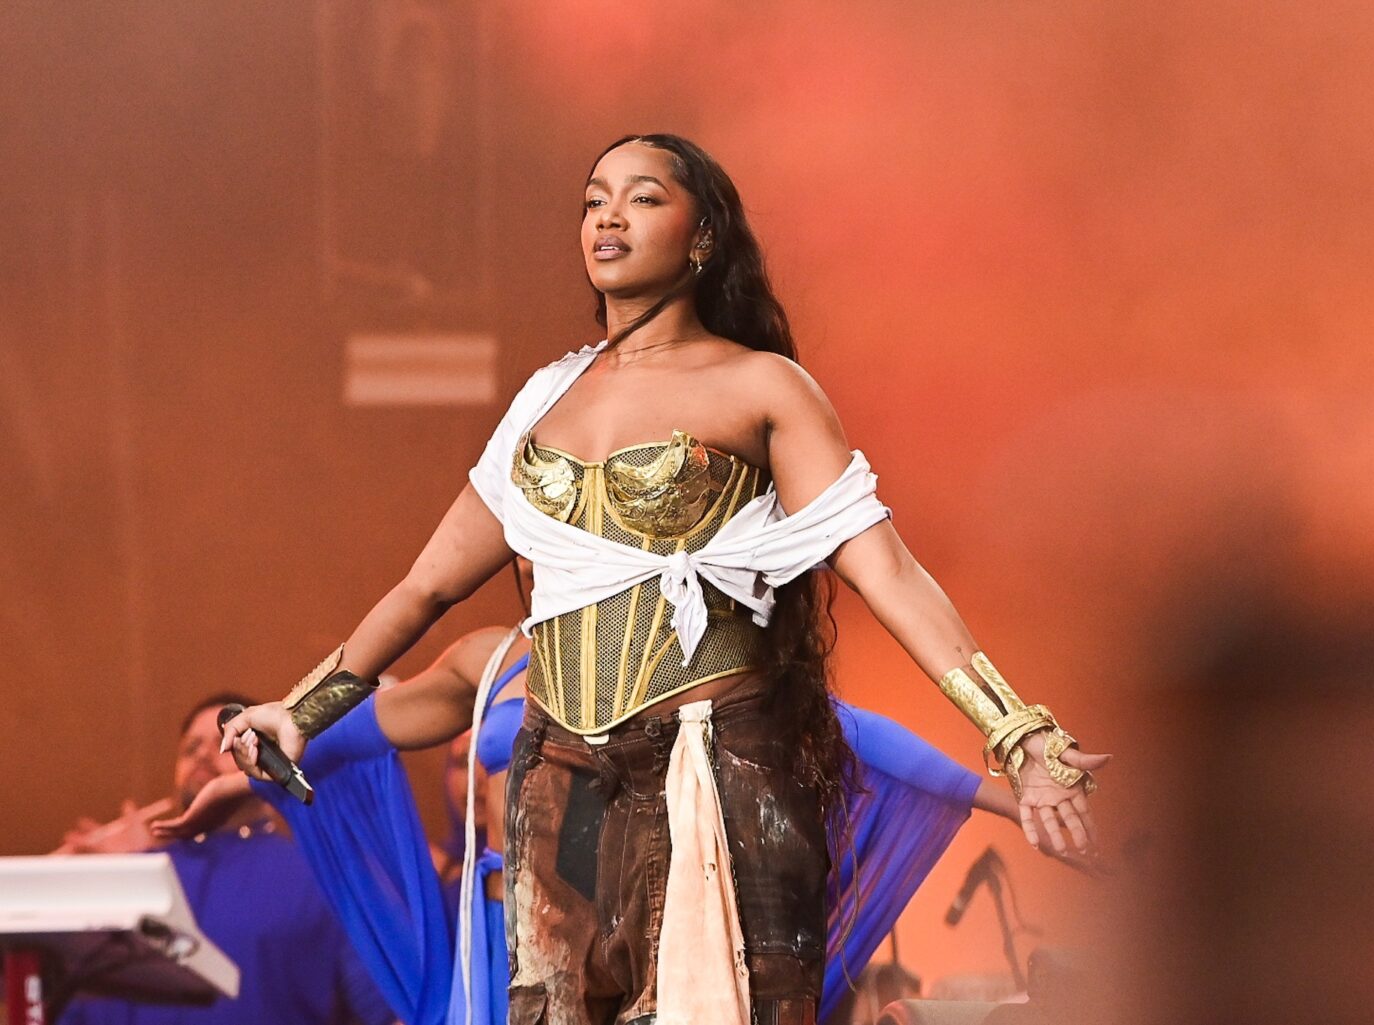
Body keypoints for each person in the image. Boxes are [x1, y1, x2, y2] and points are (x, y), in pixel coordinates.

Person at [219, 133, 1110, 1025]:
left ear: (702, 236)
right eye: (593, 199)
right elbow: (425, 587)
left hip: (719, 771)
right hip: (562, 779)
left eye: (642, 198)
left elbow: (888, 568)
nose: (608, 216)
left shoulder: (763, 386)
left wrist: (1019, 733)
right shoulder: (542, 398)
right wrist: (301, 711)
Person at [161, 626, 1028, 1025]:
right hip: (500, 941)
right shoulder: (496, 657)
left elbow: (852, 731)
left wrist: (1010, 790)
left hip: (631, 938)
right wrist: (247, 784)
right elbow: (358, 730)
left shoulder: (676, 660)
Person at [55, 696, 396, 1025]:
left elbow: (389, 1010)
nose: (203, 755)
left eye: (225, 739)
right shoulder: (133, 877)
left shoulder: (321, 874)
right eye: (191, 748)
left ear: (273, 760)